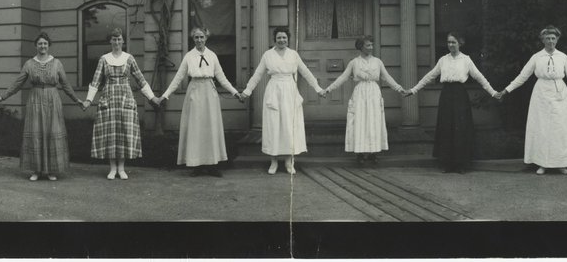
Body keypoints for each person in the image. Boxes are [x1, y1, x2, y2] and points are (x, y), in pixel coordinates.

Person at [497, 26, 567, 175]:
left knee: (559, 128)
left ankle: (561, 163)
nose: (550, 41)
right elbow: (522, 76)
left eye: (553, 38)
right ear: (542, 40)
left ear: (557, 40)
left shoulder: (563, 57)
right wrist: (506, 90)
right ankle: (543, 163)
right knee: (543, 129)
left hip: (560, 94)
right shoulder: (536, 57)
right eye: (547, 38)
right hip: (541, 95)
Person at [156, 27, 244, 177]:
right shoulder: (189, 56)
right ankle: (196, 165)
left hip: (209, 92)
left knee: (210, 128)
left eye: (201, 37)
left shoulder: (212, 56)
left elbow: (221, 77)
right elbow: (178, 78)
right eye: (196, 37)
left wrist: (235, 93)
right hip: (195, 91)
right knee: (196, 129)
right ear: (193, 39)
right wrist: (164, 96)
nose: (199, 40)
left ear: (206, 38)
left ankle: (212, 165)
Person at [405, 32, 498, 174]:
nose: (451, 45)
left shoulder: (466, 60)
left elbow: (480, 77)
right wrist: (413, 90)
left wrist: (493, 93)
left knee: (460, 127)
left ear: (460, 43)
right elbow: (430, 76)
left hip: (460, 95)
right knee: (447, 127)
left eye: (453, 42)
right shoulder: (443, 60)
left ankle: (461, 164)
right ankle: (447, 163)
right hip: (446, 95)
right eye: (449, 42)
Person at [0, 32, 82, 181]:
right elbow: (18, 83)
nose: (43, 46)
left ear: (49, 45)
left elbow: (65, 84)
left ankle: (50, 170)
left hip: (52, 99)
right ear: (36, 45)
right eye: (40, 43)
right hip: (35, 100)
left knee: (51, 132)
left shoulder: (57, 63)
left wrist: (77, 99)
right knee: (35, 133)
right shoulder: (29, 64)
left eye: (45, 44)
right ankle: (36, 170)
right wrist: (2, 97)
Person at [242, 27, 324, 175]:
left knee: (289, 126)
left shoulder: (293, 54)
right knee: (274, 126)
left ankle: (288, 161)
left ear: (288, 39)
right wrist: (247, 91)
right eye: (279, 38)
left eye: (284, 38)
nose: (281, 40)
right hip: (274, 91)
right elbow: (258, 74)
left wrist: (318, 88)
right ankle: (273, 161)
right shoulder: (268, 55)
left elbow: (305, 72)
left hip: (290, 91)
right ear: (275, 39)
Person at [81, 28, 157, 180]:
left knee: (124, 131)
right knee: (110, 132)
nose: (116, 42)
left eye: (119, 39)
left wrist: (152, 97)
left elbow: (140, 80)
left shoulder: (129, 58)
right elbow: (96, 81)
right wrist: (88, 100)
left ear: (123, 41)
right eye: (114, 39)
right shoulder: (104, 59)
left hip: (125, 98)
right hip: (108, 98)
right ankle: (112, 168)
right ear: (110, 41)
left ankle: (121, 168)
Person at [321, 35, 405, 165]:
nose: (371, 47)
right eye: (368, 45)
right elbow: (343, 77)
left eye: (372, 45)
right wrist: (328, 89)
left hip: (373, 93)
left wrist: (399, 89)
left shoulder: (378, 62)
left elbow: (387, 77)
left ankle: (373, 152)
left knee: (374, 121)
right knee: (360, 121)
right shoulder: (354, 63)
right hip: (360, 93)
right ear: (361, 47)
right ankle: (360, 153)